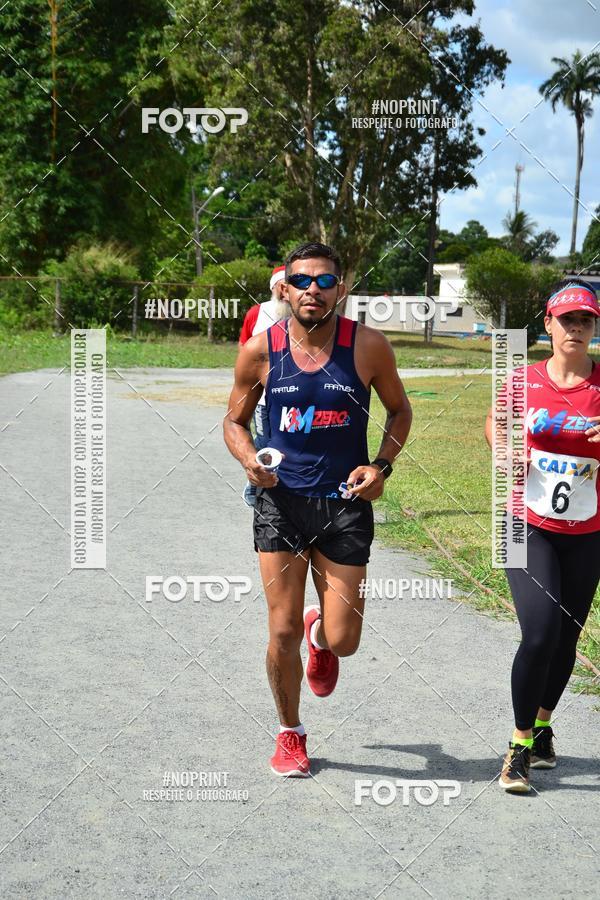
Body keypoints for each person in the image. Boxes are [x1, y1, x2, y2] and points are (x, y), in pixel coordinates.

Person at [223, 241, 412, 776]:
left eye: (324, 281)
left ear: (341, 289)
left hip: (343, 504)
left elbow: (400, 413)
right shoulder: (260, 351)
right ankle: (290, 733)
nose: (313, 290)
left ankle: (320, 636)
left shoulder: (369, 347)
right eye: (302, 280)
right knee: (278, 630)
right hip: (279, 502)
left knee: (345, 642)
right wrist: (247, 462)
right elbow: (234, 421)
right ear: (284, 287)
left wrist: (380, 467)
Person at [485, 278, 600, 793]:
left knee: (567, 635)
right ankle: (519, 744)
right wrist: (506, 448)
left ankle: (546, 721)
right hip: (524, 523)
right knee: (538, 632)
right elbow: (496, 422)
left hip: (588, 531)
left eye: (586, 321)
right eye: (567, 319)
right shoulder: (522, 379)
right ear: (548, 326)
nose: (576, 328)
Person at [239, 265, 289, 507]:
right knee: (265, 443)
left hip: (294, 400)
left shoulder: (304, 316)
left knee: (287, 446)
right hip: (261, 399)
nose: (283, 291)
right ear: (273, 288)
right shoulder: (257, 313)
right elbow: (243, 351)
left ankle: (285, 493)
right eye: (279, 286)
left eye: (287, 285)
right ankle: (255, 489)